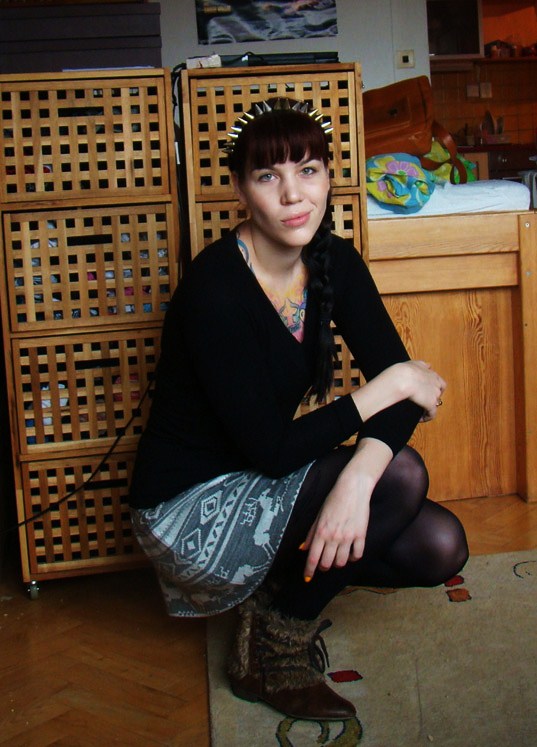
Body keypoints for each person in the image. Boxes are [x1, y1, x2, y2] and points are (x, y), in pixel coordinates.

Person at [129, 97, 469, 722]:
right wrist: (388, 390)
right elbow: (278, 446)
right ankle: (276, 648)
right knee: (402, 476)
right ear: (239, 190)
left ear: (328, 176)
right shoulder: (215, 290)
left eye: (307, 170)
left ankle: (273, 588)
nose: (293, 195)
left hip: (265, 480)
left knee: (439, 547)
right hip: (188, 509)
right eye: (268, 176)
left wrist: (355, 482)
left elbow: (403, 394)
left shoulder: (333, 260)